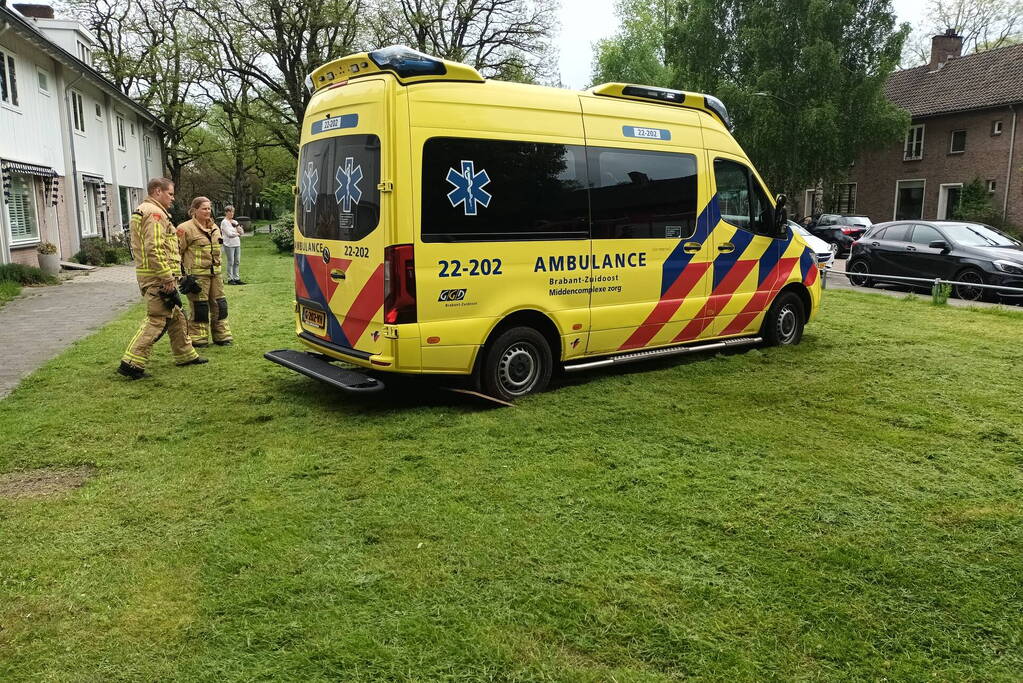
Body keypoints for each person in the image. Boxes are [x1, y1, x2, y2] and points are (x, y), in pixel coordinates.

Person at [118, 178, 207, 379]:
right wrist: (167, 278)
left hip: (153, 274)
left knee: (176, 315)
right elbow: (155, 247)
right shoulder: (155, 213)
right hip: (157, 278)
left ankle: (185, 354)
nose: (173, 199)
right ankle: (131, 363)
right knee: (157, 320)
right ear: (158, 191)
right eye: (170, 194)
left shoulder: (145, 210)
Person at [177, 197, 233, 347]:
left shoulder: (215, 227)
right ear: (194, 210)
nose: (207, 211)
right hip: (197, 276)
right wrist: (182, 277)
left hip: (216, 274)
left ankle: (222, 336)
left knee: (220, 304)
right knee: (200, 307)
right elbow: (176, 253)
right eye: (204, 208)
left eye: (209, 208)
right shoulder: (184, 229)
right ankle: (198, 339)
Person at [220, 205, 245, 285]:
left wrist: (238, 228)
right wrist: (237, 233)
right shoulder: (224, 222)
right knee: (231, 262)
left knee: (237, 261)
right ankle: (230, 279)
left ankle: (236, 278)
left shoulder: (235, 222)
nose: (231, 213)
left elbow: (242, 232)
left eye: (233, 212)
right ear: (226, 212)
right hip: (229, 244)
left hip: (237, 243)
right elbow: (229, 234)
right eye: (230, 211)